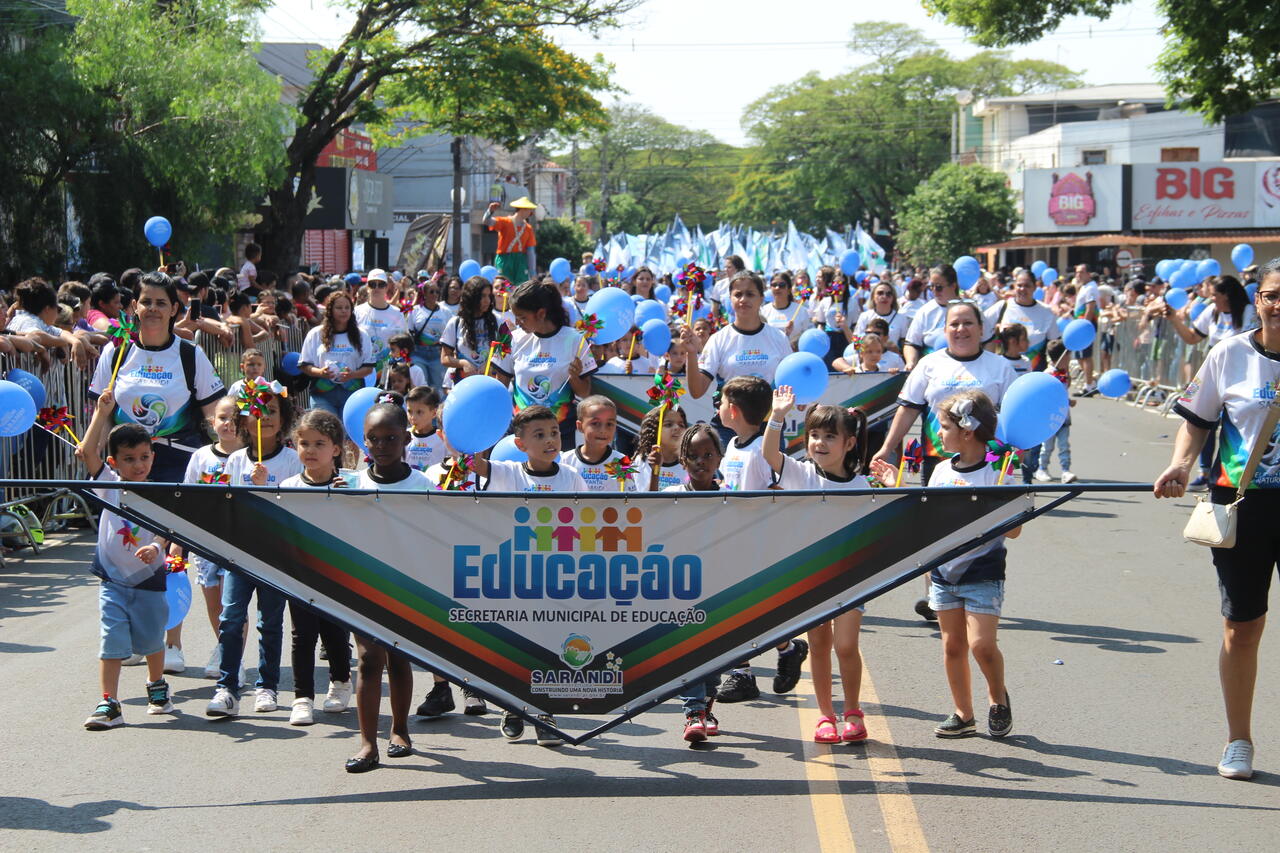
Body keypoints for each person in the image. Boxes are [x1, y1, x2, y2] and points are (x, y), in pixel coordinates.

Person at [1154, 258, 1280, 781]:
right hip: (1241, 503)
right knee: (1242, 626)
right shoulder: (1230, 353)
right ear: (1259, 296)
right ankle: (1239, 740)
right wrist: (1181, 464)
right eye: (1273, 293)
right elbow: (1198, 420)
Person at [881, 390, 1018, 740]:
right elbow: (926, 517)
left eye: (943, 427)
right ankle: (963, 713)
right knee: (952, 645)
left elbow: (1015, 530)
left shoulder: (997, 474)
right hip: (943, 573)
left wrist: (1001, 502)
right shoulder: (941, 470)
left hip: (983, 573)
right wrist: (894, 485)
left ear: (967, 431)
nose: (937, 434)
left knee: (981, 645)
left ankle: (997, 698)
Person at [872, 300, 1018, 622]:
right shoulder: (930, 364)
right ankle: (937, 595)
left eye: (968, 323)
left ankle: (978, 589)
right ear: (944, 329)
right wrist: (887, 447)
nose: (961, 329)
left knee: (977, 529)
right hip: (938, 460)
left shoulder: (1000, 368)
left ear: (982, 329)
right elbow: (908, 408)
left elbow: (1012, 418)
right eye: (954, 324)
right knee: (932, 528)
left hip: (985, 461)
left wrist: (1005, 458)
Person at [468, 405, 586, 747]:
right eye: (539, 435)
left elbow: (584, 522)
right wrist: (471, 436)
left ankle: (545, 713)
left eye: (553, 433)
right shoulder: (507, 473)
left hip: (555, 579)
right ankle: (512, 705)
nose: (550, 440)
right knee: (516, 648)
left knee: (549, 648)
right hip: (513, 579)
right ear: (520, 444)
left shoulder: (571, 478)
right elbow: (475, 464)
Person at [766, 390, 872, 743]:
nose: (820, 443)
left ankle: (853, 711)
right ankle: (826, 714)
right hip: (810, 580)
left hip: (849, 580)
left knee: (845, 646)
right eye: (814, 435)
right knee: (820, 646)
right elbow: (769, 453)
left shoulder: (861, 484)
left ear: (850, 443)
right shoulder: (799, 473)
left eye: (830, 436)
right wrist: (777, 416)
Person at [707, 376, 810, 702]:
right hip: (731, 541)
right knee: (739, 612)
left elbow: (772, 477)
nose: (718, 407)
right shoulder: (732, 448)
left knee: (747, 612)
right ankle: (758, 665)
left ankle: (770, 658)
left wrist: (778, 416)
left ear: (733, 411)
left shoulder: (758, 451)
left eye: (721, 402)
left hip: (758, 545)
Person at [76, 387, 174, 729]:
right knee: (112, 638)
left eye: (144, 457)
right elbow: (87, 451)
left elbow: (166, 531)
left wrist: (157, 548)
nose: (139, 465)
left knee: (151, 637)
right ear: (115, 462)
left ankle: (156, 683)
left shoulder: (161, 493)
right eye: (130, 459)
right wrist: (102, 414)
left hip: (149, 579)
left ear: (152, 457)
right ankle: (109, 703)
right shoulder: (108, 484)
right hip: (113, 579)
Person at [346, 397, 431, 772]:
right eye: (373, 439)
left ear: (406, 439)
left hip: (407, 585)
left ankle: (400, 728)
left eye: (390, 438)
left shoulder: (424, 485)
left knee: (399, 657)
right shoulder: (350, 485)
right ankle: (367, 743)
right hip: (365, 585)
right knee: (367, 659)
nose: (381, 447)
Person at [205, 388, 301, 718]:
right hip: (240, 554)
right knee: (231, 619)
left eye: (272, 410)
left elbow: (295, 510)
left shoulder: (291, 460)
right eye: (257, 412)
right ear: (244, 420)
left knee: (270, 621)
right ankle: (227, 686)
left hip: (274, 555)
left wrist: (268, 490)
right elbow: (226, 505)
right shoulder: (234, 460)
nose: (264, 418)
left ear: (284, 418)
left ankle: (267, 686)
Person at [88, 271, 225, 483]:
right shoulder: (115, 351)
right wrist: (93, 458)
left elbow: (214, 417)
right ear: (135, 306)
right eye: (146, 302)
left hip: (180, 465)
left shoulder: (191, 354)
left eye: (161, 303)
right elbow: (103, 414)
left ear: (174, 309)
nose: (153, 308)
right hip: (127, 467)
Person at [279, 409, 353, 726]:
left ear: (335, 449)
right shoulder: (288, 484)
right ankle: (302, 697)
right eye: (304, 443)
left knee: (335, 632)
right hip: (302, 574)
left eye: (319, 444)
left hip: (338, 575)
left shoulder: (349, 484)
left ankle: (340, 681)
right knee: (302, 636)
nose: (310, 451)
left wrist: (347, 501)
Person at [171, 396, 244, 679]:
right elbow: (187, 500)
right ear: (211, 421)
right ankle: (223, 646)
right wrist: (178, 542)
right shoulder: (200, 456)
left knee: (231, 604)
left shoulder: (251, 456)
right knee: (213, 603)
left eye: (236, 418)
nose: (229, 424)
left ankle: (232, 657)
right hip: (204, 542)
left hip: (237, 540)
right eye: (223, 417)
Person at [1164, 276, 1256, 491]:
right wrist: (1174, 320)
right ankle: (1204, 471)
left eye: (1215, 294)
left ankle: (1240, 474)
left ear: (1227, 295)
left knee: (1234, 426)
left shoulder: (1248, 313)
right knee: (1204, 422)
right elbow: (1192, 338)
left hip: (1244, 375)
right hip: (1217, 375)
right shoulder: (1211, 313)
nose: (1211, 298)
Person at [682, 271, 793, 447]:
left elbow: (792, 382)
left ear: (761, 298)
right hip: (728, 428)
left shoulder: (778, 338)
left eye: (750, 294)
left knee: (771, 475)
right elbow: (697, 391)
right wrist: (690, 353)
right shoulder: (718, 339)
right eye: (738, 294)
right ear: (730, 299)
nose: (743, 299)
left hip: (769, 426)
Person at [667, 423, 727, 742]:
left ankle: (705, 704)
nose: (700, 461)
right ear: (682, 462)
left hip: (722, 591)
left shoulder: (734, 499)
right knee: (689, 650)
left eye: (707, 454)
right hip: (683, 592)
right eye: (692, 455)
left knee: (716, 657)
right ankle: (693, 711)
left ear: (719, 457)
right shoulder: (671, 498)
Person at [507, 280, 595, 450]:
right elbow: (499, 383)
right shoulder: (514, 339)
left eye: (523, 318)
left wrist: (575, 377)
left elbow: (585, 392)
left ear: (541, 314)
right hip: (521, 431)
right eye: (516, 318)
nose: (518, 323)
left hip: (559, 431)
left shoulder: (575, 339)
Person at [298, 290, 374, 417]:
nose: (344, 311)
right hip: (322, 393)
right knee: (326, 431)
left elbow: (369, 368)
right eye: (339, 307)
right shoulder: (316, 334)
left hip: (352, 392)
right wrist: (321, 372)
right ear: (330, 310)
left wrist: (352, 374)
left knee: (347, 433)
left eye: (347, 307)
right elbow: (304, 365)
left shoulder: (362, 335)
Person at [559, 396, 641, 491]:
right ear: (580, 426)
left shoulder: (621, 462)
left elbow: (630, 499)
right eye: (595, 423)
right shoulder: (565, 460)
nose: (603, 430)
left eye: (609, 424)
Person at [983, 269, 1060, 371]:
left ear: (1035, 287)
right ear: (1014, 286)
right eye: (1019, 285)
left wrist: (1061, 373)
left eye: (1027, 285)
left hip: (1034, 375)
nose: (1022, 289)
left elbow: (1055, 346)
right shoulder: (1002, 307)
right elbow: (980, 327)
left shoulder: (1046, 312)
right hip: (1003, 375)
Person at [903, 265, 961, 369]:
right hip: (932, 370)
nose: (934, 291)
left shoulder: (970, 310)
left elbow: (987, 341)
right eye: (931, 287)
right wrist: (911, 362)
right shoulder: (925, 311)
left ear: (953, 286)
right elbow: (911, 343)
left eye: (939, 287)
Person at [355, 269, 408, 373]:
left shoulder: (397, 313)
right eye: (372, 284)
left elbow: (403, 342)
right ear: (367, 287)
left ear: (387, 287)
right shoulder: (357, 311)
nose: (376, 288)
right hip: (360, 368)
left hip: (387, 369)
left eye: (381, 284)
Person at [407, 276, 450, 390]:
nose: (435, 294)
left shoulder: (445, 311)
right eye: (431, 291)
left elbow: (450, 333)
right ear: (424, 294)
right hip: (418, 353)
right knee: (421, 387)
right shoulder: (415, 310)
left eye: (437, 291)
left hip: (437, 353)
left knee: (439, 387)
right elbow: (409, 332)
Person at [484, 197, 538, 283]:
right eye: (529, 210)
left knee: (520, 287)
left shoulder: (528, 228)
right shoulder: (505, 222)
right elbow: (487, 221)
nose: (531, 213)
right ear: (523, 209)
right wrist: (490, 211)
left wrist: (533, 273)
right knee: (504, 286)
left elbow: (530, 252)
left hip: (520, 261)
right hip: (505, 259)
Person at [637, 404, 689, 491]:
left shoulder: (688, 464)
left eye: (681, 425)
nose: (677, 428)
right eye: (668, 425)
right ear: (654, 430)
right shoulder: (641, 462)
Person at [1071, 264, 1101, 396]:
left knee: (1086, 356)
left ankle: (1089, 386)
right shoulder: (1084, 287)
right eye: (1077, 272)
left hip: (1086, 325)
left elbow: (1090, 308)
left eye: (1081, 272)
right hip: (1080, 323)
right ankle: (1091, 382)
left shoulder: (1091, 288)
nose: (1078, 275)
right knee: (1080, 356)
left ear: (1088, 273)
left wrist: (1084, 326)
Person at [761, 270, 813, 343]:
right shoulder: (763, 311)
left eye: (782, 285)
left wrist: (796, 342)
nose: (777, 288)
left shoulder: (801, 310)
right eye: (774, 285)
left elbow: (808, 335)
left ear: (789, 290)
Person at [855, 281, 909, 350]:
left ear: (893, 298)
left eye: (889, 294)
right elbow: (856, 341)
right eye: (880, 293)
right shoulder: (864, 316)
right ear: (873, 297)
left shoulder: (901, 318)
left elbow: (904, 343)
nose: (884, 296)